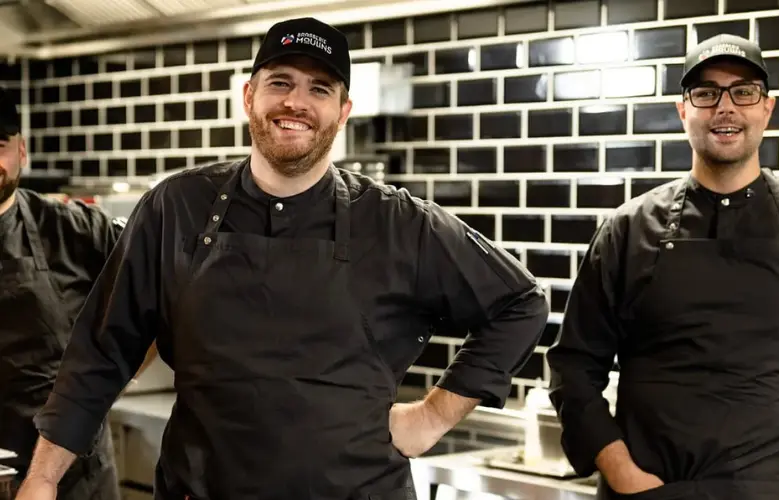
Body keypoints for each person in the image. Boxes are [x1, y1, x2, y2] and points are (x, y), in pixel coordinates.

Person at [14, 16, 549, 500]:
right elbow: (100, 354)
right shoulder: (176, 206)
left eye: (319, 89)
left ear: (342, 112)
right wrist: (42, 478)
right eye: (281, 82)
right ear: (249, 96)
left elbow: (521, 302)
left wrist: (432, 416)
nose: (296, 102)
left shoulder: (397, 221)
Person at [545, 34, 779, 500]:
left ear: (767, 108)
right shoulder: (628, 229)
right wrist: (622, 474)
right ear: (683, 110)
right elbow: (572, 366)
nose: (725, 107)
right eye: (706, 93)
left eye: (743, 91)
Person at [0, 86, 126, 499]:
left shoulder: (75, 231)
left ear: (21, 151)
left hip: (73, 478)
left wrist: (112, 378)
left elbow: (161, 294)